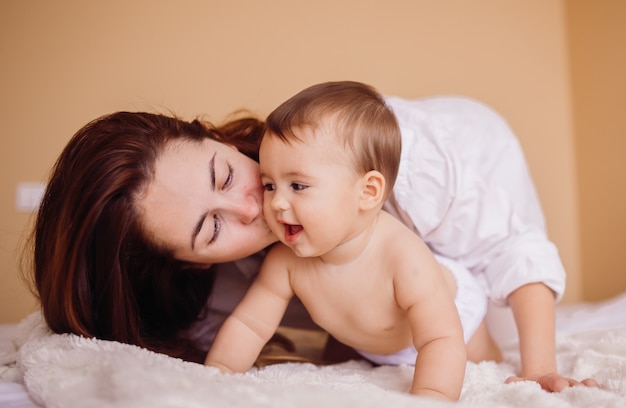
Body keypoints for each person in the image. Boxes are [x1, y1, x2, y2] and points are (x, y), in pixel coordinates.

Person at [27, 81, 597, 392]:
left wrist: (536, 368)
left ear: (218, 139)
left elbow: (500, 260)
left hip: (466, 270)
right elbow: (247, 324)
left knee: (473, 353)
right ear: (191, 265)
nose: (258, 205)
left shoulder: (387, 181)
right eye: (212, 228)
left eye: (226, 175)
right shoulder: (271, 261)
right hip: (376, 335)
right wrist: (213, 383)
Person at [205, 81, 498, 400]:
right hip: (372, 343)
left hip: (454, 320)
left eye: (298, 186)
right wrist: (216, 374)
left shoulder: (402, 256)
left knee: (486, 365)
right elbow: (250, 325)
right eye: (270, 185)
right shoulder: (285, 262)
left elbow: (440, 339)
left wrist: (432, 396)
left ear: (367, 192)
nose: (276, 203)